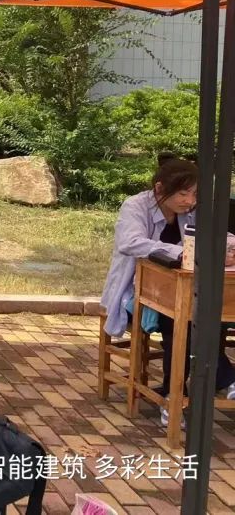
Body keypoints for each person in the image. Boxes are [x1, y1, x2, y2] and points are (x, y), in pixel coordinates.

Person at [100, 155, 235, 427]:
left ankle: (173, 394)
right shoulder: (135, 206)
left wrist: (228, 247)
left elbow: (220, 235)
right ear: (160, 189)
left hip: (184, 294)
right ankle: (213, 383)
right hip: (137, 294)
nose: (189, 201)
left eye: (194, 194)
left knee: (202, 315)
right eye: (183, 194)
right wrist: (184, 253)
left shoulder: (192, 210)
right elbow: (130, 242)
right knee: (180, 321)